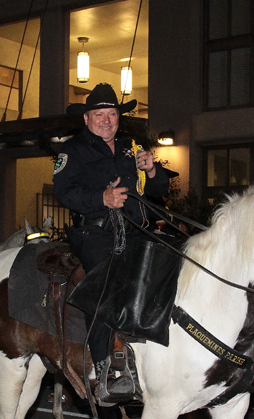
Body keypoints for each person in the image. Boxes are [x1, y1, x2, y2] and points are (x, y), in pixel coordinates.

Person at [53, 82, 168, 402]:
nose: (106, 120)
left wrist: (153, 169)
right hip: (94, 233)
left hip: (134, 230)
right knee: (107, 283)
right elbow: (63, 192)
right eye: (99, 114)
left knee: (167, 275)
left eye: (112, 114)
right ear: (87, 119)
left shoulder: (131, 147)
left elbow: (159, 191)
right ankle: (107, 369)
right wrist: (101, 198)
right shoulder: (72, 150)